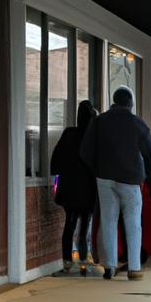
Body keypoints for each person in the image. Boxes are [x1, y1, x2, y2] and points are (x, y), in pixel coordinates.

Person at [80, 86, 151, 281]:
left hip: (104, 178)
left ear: (114, 101)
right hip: (131, 180)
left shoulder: (99, 121)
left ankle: (110, 266)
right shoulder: (137, 123)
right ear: (130, 103)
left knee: (108, 221)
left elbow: (85, 151)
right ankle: (134, 268)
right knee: (133, 223)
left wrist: (97, 170)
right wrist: (148, 175)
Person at [51, 100, 97, 276]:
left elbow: (55, 160)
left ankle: (67, 262)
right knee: (85, 226)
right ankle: (84, 262)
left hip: (69, 189)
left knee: (69, 225)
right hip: (88, 190)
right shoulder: (92, 136)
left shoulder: (69, 133)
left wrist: (57, 179)